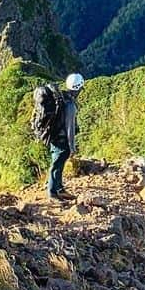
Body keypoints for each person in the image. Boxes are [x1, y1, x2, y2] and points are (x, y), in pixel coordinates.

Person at [46, 72, 85, 201]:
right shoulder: (70, 106)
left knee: (59, 164)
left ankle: (59, 189)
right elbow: (70, 128)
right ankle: (52, 193)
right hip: (62, 140)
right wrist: (72, 147)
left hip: (55, 137)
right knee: (56, 165)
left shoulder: (62, 98)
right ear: (78, 88)